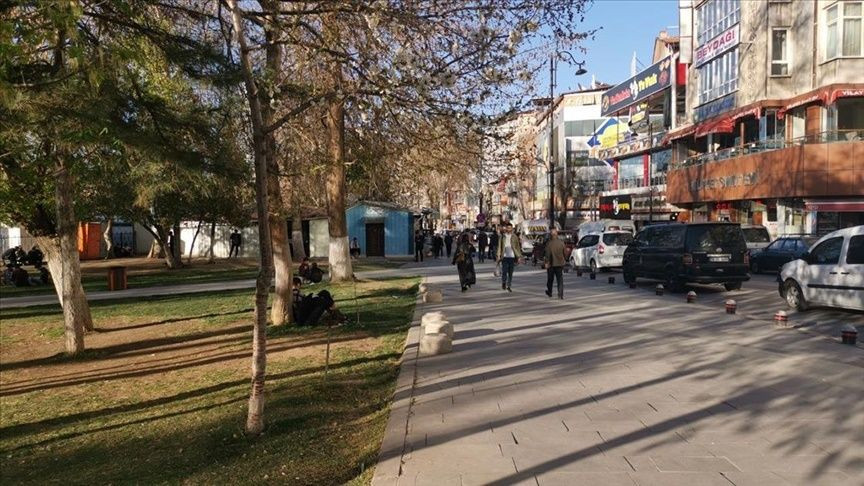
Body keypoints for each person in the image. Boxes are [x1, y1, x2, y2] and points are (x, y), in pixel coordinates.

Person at [496, 223, 522, 292]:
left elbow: (517, 247)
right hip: (504, 257)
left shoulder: (515, 237)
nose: (509, 229)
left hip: (512, 257)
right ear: (506, 228)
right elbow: (499, 246)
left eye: (510, 228)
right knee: (504, 271)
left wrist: (519, 257)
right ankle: (504, 282)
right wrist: (498, 255)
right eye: (507, 228)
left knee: (510, 272)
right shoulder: (502, 236)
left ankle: (509, 285)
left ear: (512, 229)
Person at [544, 229, 566, 300]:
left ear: (551, 235)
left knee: (550, 279)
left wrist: (546, 262)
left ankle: (550, 291)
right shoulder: (561, 243)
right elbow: (565, 252)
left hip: (551, 264)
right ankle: (560, 294)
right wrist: (564, 259)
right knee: (560, 279)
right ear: (557, 234)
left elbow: (547, 254)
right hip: (559, 263)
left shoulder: (549, 243)